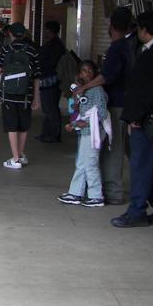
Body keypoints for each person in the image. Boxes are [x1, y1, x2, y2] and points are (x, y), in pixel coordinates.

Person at [112, 10, 153, 228]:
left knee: (141, 164)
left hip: (147, 119)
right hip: (149, 116)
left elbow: (151, 90)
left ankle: (136, 211)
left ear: (145, 30)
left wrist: (135, 117)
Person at [73, 7, 135, 205]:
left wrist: (84, 88)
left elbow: (107, 76)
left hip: (116, 104)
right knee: (111, 147)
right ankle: (107, 189)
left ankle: (112, 191)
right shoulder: (129, 46)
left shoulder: (118, 48)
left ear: (111, 26)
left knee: (112, 148)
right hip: (122, 102)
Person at [58, 60, 110, 207]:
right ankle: (75, 193)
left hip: (93, 132)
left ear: (95, 73)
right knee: (81, 162)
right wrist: (74, 123)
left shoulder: (97, 90)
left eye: (90, 71)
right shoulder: (84, 90)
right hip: (85, 131)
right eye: (84, 71)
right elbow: (80, 111)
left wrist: (84, 123)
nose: (87, 74)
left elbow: (101, 112)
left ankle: (96, 195)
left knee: (90, 163)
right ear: (79, 74)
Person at [0, 22, 41, 170]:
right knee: (23, 126)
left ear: (10, 34)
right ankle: (20, 155)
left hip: (7, 95)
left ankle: (15, 159)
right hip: (26, 95)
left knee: (11, 126)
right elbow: (37, 76)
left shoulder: (5, 49)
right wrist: (36, 98)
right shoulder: (33, 51)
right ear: (25, 34)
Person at [36, 20, 66, 143]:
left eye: (46, 31)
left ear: (50, 31)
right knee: (49, 108)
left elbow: (51, 62)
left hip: (51, 80)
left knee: (50, 108)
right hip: (49, 80)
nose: (45, 33)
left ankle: (54, 134)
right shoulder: (55, 44)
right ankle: (46, 133)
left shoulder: (55, 46)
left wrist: (40, 64)